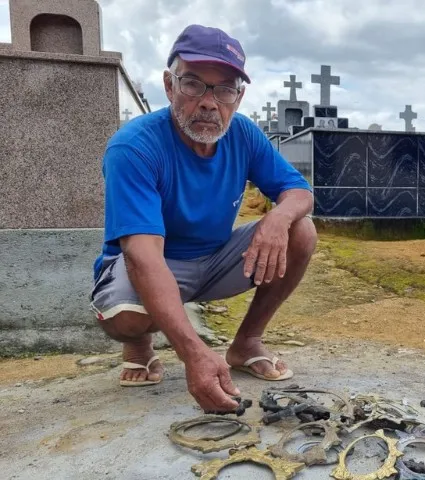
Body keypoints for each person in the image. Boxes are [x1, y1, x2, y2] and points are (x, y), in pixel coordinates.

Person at [89, 24, 317, 413]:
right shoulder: (134, 147)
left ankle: (246, 343)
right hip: (153, 263)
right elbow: (143, 255)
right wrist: (193, 353)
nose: (210, 103)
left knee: (302, 230)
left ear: (239, 97)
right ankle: (140, 344)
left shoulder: (243, 135)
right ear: (169, 85)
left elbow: (299, 193)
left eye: (225, 89)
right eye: (194, 84)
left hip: (214, 260)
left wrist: (277, 220)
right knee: (127, 317)